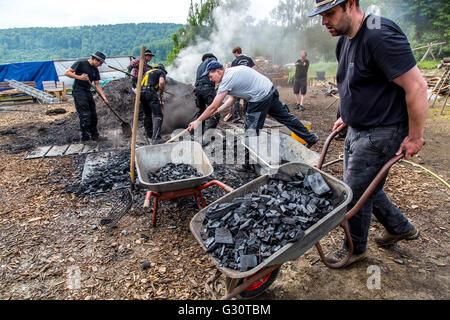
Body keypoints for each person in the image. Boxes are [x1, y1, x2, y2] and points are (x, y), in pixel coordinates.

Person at [309, 0, 428, 267]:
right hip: (359, 128)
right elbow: (355, 84)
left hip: (383, 131)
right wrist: (346, 116)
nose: (324, 22)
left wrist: (416, 136)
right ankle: (399, 227)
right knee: (363, 186)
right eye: (321, 15)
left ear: (350, 4)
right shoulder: (345, 40)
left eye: (329, 14)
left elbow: (418, 86)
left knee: (352, 192)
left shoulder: (379, 35)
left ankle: (355, 248)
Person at [187, 61, 319, 149]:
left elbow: (213, 106)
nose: (210, 79)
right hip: (269, 90)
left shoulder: (227, 79)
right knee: (286, 117)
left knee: (250, 130)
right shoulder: (233, 72)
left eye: (210, 76)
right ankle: (310, 137)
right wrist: (220, 110)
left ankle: (249, 164)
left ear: (218, 71)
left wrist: (198, 120)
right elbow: (232, 99)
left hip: (260, 98)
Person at [65, 51, 108, 142]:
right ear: (95, 59)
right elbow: (67, 73)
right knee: (85, 115)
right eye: (100, 62)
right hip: (79, 92)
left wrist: (103, 97)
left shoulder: (95, 70)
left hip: (88, 92)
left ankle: (95, 136)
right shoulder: (81, 64)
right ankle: (85, 138)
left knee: (93, 115)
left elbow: (97, 85)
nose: (100, 65)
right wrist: (80, 77)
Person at [226, 46, 257, 121]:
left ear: (236, 52)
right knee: (247, 98)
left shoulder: (235, 61)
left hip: (239, 82)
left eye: (234, 54)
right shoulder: (248, 59)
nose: (234, 55)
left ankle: (238, 116)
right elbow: (254, 68)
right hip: (248, 82)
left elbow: (232, 73)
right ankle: (246, 114)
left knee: (236, 99)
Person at [140, 63, 167, 144]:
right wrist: (161, 92)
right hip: (150, 92)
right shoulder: (160, 72)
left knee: (147, 114)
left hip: (141, 93)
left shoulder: (147, 72)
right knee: (158, 115)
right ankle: (156, 138)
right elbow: (161, 83)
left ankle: (149, 135)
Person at [194, 53, 221, 131]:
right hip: (207, 88)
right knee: (215, 111)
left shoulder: (200, 66)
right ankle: (208, 135)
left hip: (197, 89)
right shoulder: (211, 60)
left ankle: (198, 135)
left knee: (201, 112)